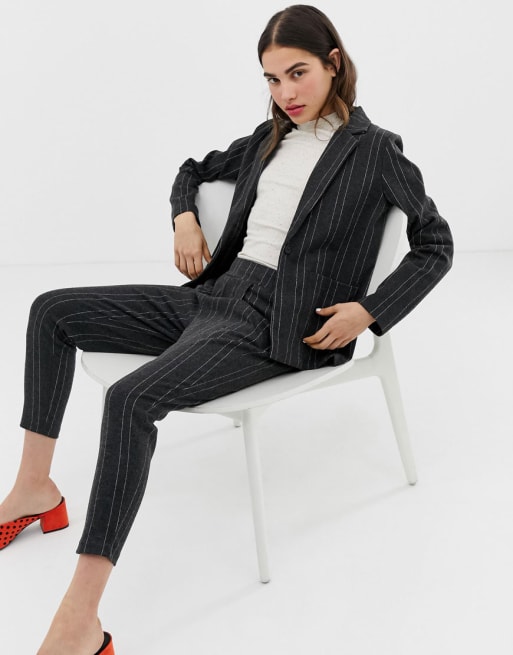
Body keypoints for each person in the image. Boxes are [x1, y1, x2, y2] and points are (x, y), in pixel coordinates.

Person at [0, 4, 453, 653]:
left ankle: (80, 620)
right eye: (271, 78)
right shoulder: (270, 137)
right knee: (51, 310)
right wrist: (184, 219)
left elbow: (435, 243)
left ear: (333, 63)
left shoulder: (375, 150)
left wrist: (370, 312)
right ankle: (33, 488)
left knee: (130, 399)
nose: (285, 92)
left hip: (276, 321)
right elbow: (192, 168)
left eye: (297, 73)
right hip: (216, 294)